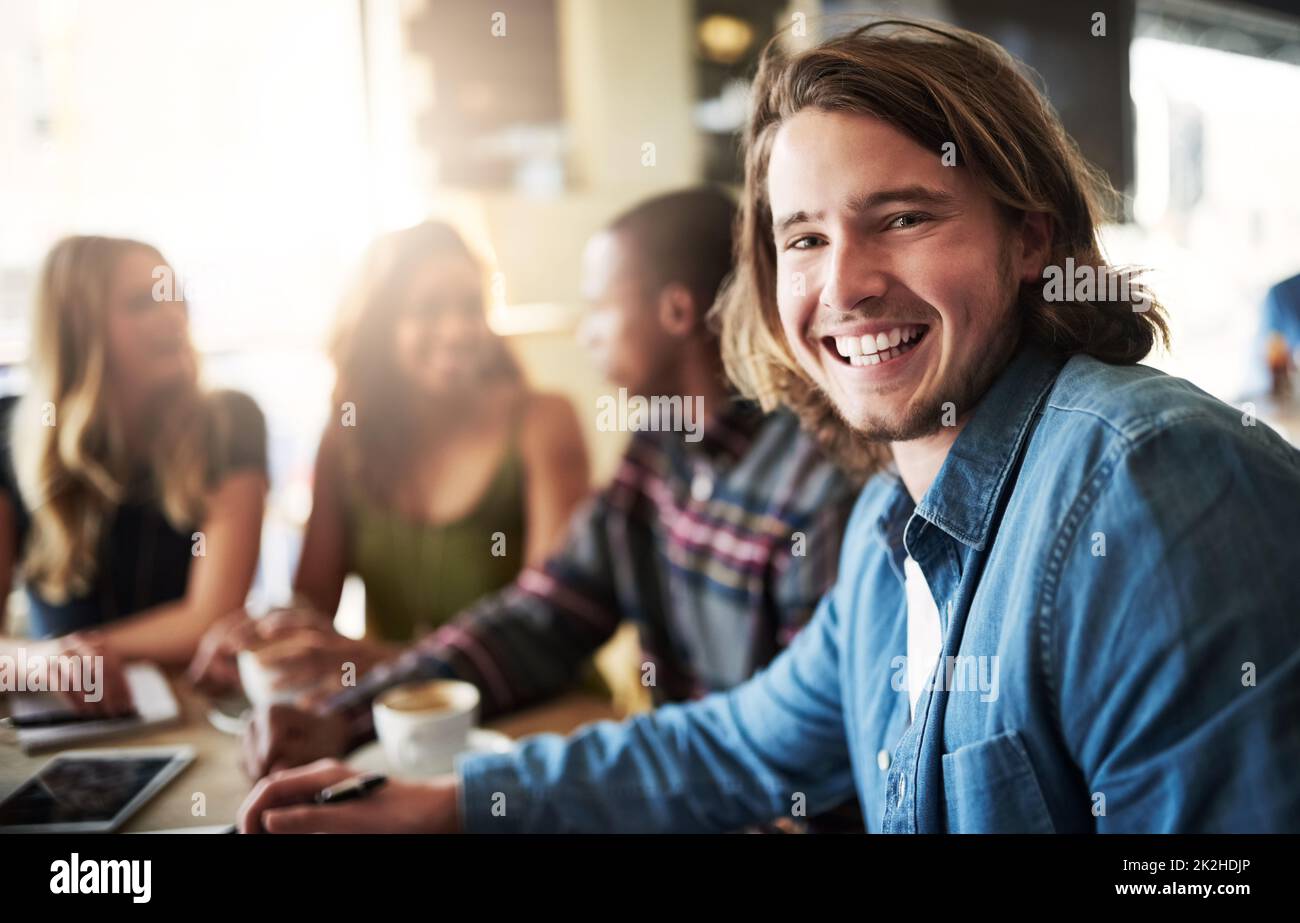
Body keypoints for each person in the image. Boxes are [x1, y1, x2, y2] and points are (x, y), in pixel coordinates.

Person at [241, 20, 1300, 835]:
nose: (844, 284)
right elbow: (735, 746)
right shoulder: (895, 525)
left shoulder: (1148, 481)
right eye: (803, 237)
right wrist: (447, 802)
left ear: (1028, 239)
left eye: (902, 217)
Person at [231, 190, 862, 832]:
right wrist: (345, 716)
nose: (583, 331)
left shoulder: (816, 487)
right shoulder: (658, 449)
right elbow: (543, 615)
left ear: (673, 311)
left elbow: (796, 755)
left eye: (598, 307)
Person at [188, 221, 590, 693]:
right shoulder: (345, 438)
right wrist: (261, 632)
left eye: (471, 307)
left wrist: (377, 660)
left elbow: (544, 629)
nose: (458, 330)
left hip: (540, 708)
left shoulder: (543, 422)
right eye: (428, 309)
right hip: (403, 713)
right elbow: (312, 605)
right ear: (379, 328)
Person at [0, 235, 267, 714]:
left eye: (174, 295)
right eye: (143, 302)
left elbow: (210, 616)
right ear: (74, 326)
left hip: (190, 710)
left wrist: (77, 654)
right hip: (62, 713)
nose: (172, 315)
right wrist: (42, 662)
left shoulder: (230, 421)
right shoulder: (8, 432)